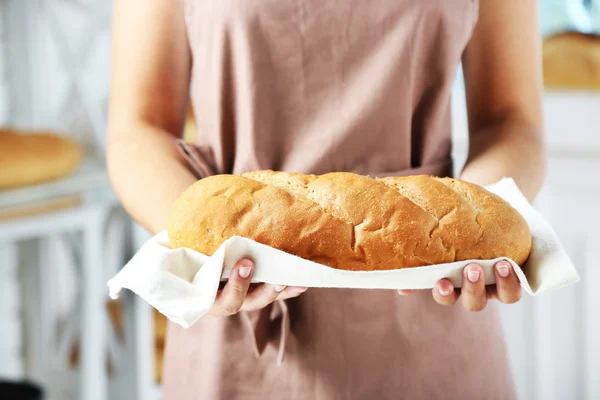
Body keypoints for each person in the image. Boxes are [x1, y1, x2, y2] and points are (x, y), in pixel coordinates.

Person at [106, 0, 546, 398]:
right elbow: (138, 131)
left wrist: (474, 224)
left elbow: (511, 121)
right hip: (235, 325)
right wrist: (203, 255)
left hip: (435, 298)